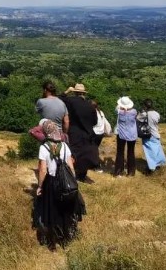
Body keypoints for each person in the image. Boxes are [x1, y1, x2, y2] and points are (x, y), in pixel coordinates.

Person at [34, 120, 85, 250]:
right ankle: (66, 239)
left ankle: (52, 244)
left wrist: (40, 186)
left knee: (51, 212)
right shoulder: (64, 146)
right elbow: (71, 166)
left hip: (51, 183)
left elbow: (43, 170)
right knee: (65, 211)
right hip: (65, 183)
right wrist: (73, 181)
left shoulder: (43, 148)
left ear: (46, 132)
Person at [59, 84, 100, 184]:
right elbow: (95, 122)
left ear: (75, 92)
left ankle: (72, 175)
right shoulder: (90, 105)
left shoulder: (71, 101)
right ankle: (82, 176)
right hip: (87, 133)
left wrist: (67, 91)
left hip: (74, 131)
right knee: (84, 154)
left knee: (73, 153)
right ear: (83, 93)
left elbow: (59, 98)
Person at [139, 99, 166, 174]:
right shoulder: (156, 113)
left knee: (150, 152)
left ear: (145, 105)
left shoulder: (144, 114)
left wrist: (141, 111)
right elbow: (157, 121)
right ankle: (159, 164)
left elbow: (137, 119)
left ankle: (151, 168)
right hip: (156, 133)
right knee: (157, 150)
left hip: (148, 134)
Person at [114, 96, 138, 177]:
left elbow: (117, 107)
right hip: (132, 134)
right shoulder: (134, 112)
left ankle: (118, 172)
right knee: (131, 153)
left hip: (121, 134)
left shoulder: (118, 111)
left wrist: (122, 101)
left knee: (120, 153)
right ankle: (131, 172)